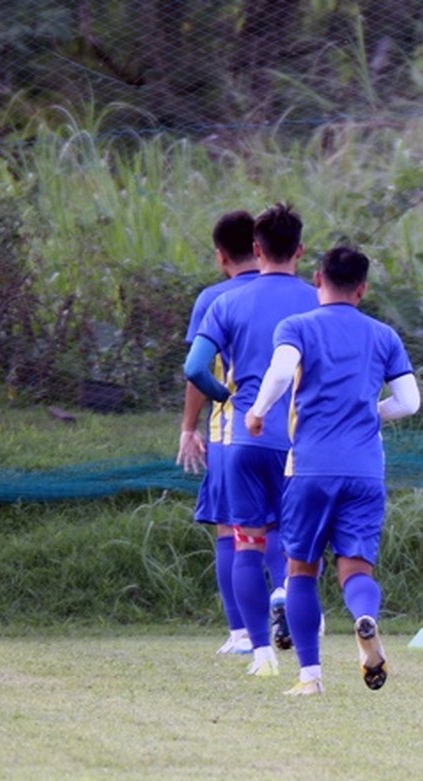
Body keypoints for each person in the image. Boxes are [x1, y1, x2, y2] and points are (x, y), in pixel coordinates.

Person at [246, 245, 420, 696]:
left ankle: (311, 677)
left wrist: (258, 411)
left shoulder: (297, 326)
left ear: (318, 278)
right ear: (362, 289)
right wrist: (367, 412)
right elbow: (410, 402)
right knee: (356, 570)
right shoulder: (384, 335)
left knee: (300, 570)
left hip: (310, 470)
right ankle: (365, 620)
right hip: (365, 471)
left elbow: (282, 372)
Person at [184, 202, 319, 678]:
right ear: (301, 251)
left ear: (255, 249)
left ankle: (257, 650)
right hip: (301, 443)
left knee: (244, 539)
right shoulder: (317, 300)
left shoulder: (224, 302)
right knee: (294, 541)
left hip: (243, 437)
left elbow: (194, 368)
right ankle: (290, 603)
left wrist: (227, 398)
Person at [176, 210, 260, 656]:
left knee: (231, 529)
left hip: (232, 431)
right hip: (289, 432)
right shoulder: (300, 295)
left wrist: (190, 427)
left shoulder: (214, 299)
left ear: (220, 255)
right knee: (283, 526)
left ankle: (243, 632)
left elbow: (199, 371)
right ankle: (299, 612)